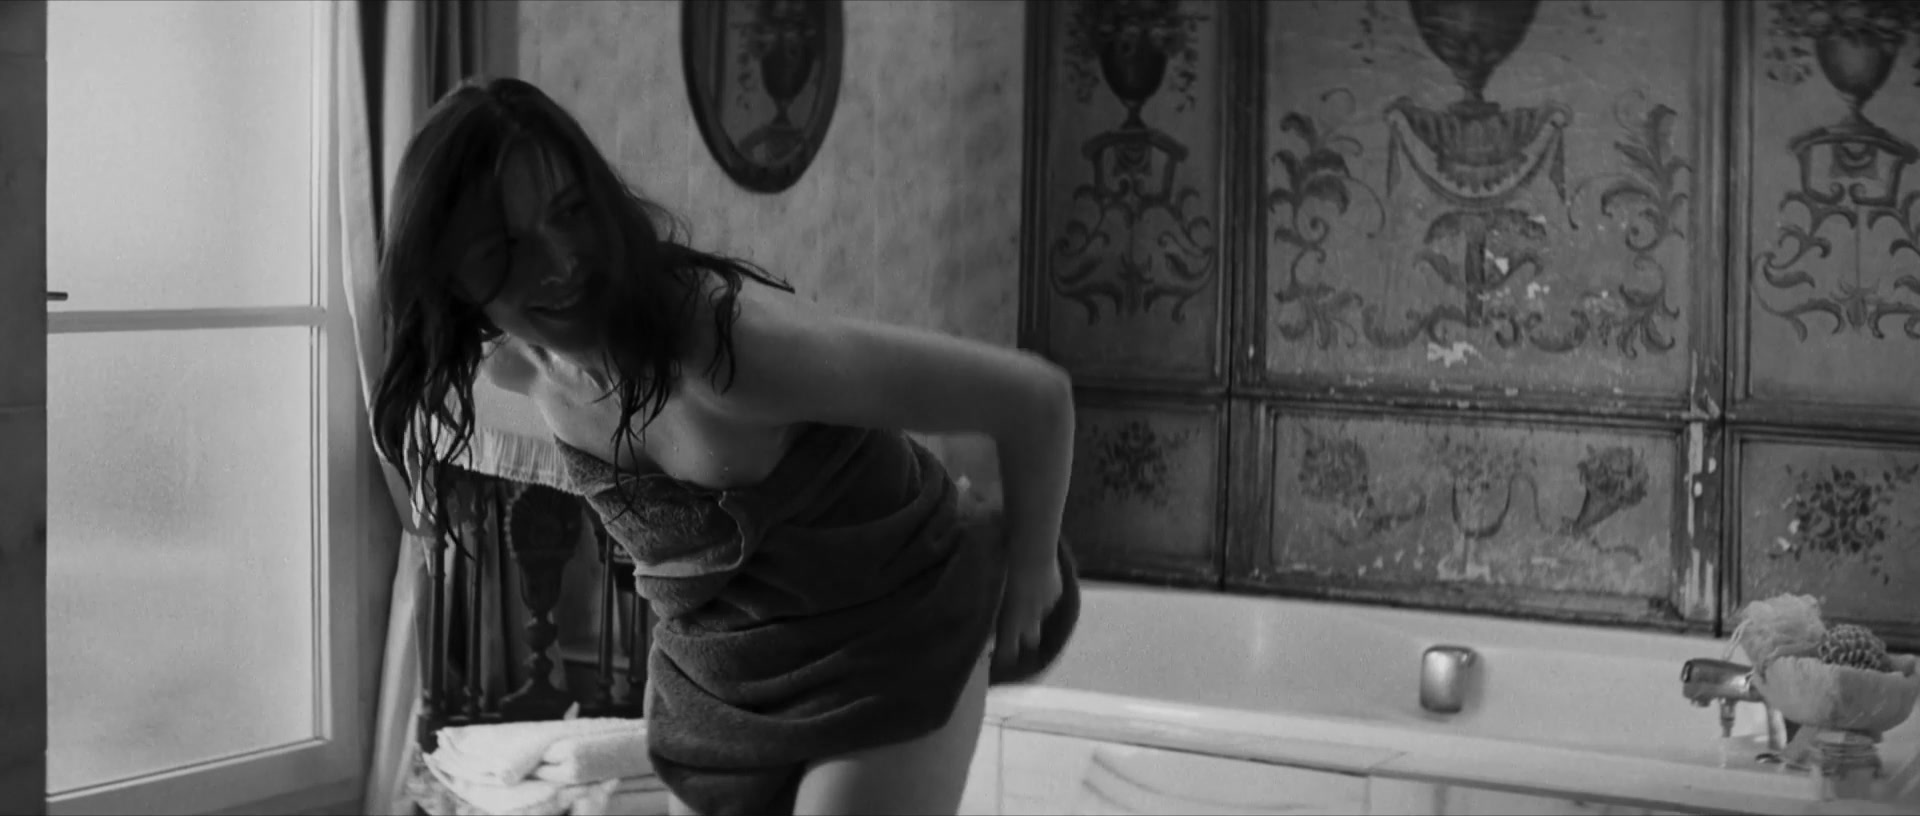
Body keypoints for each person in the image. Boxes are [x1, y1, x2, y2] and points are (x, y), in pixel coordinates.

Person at [371, 76, 1081, 816]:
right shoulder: (511, 369)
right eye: (504, 248)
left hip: (894, 631)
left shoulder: (730, 348)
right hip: (726, 689)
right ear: (453, 275)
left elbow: (1033, 397)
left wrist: (1032, 574)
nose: (559, 262)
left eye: (571, 211)